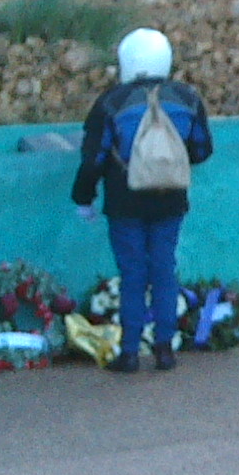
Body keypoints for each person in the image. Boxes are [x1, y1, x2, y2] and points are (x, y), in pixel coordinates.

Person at [73, 27, 216, 372]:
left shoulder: (112, 102)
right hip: (171, 200)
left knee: (133, 274)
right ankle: (166, 348)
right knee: (164, 269)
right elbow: (202, 149)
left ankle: (131, 351)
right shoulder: (187, 98)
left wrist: (83, 197)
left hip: (125, 202)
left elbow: (94, 157)